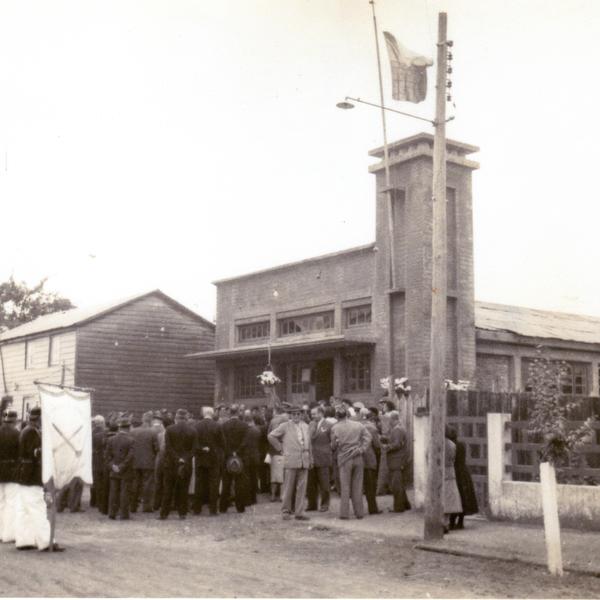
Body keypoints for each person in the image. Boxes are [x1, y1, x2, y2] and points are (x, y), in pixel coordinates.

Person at [15, 407, 62, 551]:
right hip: (31, 475)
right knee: (38, 508)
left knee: (25, 510)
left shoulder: (26, 430)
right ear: (39, 418)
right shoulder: (31, 432)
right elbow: (34, 453)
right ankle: (46, 542)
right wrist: (49, 449)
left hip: (24, 474)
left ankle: (24, 540)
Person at [268, 405, 312, 521]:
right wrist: (280, 448)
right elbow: (271, 436)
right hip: (291, 459)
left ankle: (299, 512)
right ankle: (285, 511)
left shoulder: (306, 426)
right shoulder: (285, 426)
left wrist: (310, 459)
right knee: (288, 487)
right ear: (290, 415)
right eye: (294, 414)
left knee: (302, 488)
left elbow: (309, 444)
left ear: (302, 415)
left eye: (298, 414)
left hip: (304, 460)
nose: (296, 416)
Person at [330, 405, 371, 520]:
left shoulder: (335, 428)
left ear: (337, 415)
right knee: (358, 486)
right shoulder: (358, 425)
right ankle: (359, 513)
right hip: (358, 457)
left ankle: (344, 513)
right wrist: (362, 448)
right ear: (348, 414)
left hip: (344, 458)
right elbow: (368, 437)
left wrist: (336, 445)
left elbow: (333, 445)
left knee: (345, 486)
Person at [159, 409, 195, 520]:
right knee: (183, 489)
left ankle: (164, 514)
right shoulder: (192, 431)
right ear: (186, 418)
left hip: (171, 464)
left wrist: (177, 458)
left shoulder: (169, 429)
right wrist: (184, 459)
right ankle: (182, 513)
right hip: (186, 464)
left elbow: (168, 447)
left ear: (176, 418)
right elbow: (194, 449)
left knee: (168, 489)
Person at [193, 406, 224, 516]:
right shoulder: (217, 426)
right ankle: (213, 509)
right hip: (214, 459)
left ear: (204, 414)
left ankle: (197, 509)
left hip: (200, 458)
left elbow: (194, 443)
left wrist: (201, 449)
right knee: (214, 484)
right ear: (212, 414)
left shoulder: (196, 426)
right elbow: (222, 444)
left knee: (199, 483)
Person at [446, 426, 478, 529]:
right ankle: (460, 521)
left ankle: (451, 522)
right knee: (464, 497)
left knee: (455, 498)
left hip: (455, 472)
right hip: (463, 471)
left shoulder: (451, 445)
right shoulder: (461, 444)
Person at [220, 404, 250, 513]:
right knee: (240, 483)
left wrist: (229, 452)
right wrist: (237, 452)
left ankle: (223, 507)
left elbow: (222, 442)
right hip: (240, 457)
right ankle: (240, 507)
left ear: (230, 413)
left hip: (227, 457)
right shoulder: (244, 426)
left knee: (226, 482)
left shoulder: (223, 426)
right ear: (238, 412)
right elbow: (246, 442)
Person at [105, 415, 135, 520]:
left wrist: (113, 466)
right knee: (124, 492)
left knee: (113, 492)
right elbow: (130, 456)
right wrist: (121, 466)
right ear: (128, 427)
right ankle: (124, 514)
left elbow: (107, 456)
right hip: (126, 471)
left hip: (114, 469)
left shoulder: (111, 439)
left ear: (119, 427)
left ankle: (112, 513)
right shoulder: (131, 440)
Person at [130, 411, 159, 513]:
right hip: (148, 462)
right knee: (148, 485)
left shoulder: (133, 431)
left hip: (135, 462)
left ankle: (133, 506)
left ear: (142, 419)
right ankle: (146, 507)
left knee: (135, 483)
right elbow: (157, 448)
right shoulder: (153, 432)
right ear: (151, 420)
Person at [384, 410, 411, 513]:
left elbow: (397, 444)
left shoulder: (397, 430)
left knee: (396, 485)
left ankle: (398, 507)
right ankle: (405, 504)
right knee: (399, 484)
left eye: (389, 420)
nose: (388, 422)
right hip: (399, 460)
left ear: (393, 419)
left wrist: (386, 447)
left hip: (396, 460)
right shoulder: (399, 428)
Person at [306, 406, 332, 512]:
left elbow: (333, 441)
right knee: (310, 483)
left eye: (314, 414)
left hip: (323, 458)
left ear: (321, 413)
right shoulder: (311, 424)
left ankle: (325, 504)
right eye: (311, 414)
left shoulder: (329, 425)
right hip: (311, 457)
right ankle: (312, 504)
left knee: (324, 483)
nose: (312, 416)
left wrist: (328, 451)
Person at [0, 409, 20, 543]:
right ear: (15, 420)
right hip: (12, 471)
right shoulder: (17, 434)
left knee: (0, 503)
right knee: (11, 504)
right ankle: (8, 534)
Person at [359, 408, 381, 515]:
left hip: (358, 458)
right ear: (370, 416)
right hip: (369, 458)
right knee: (370, 485)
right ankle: (373, 509)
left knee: (358, 485)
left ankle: (358, 509)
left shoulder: (357, 426)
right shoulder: (372, 427)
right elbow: (377, 445)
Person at [267, 404, 289, 502]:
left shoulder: (273, 421)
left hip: (274, 451)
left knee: (274, 474)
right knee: (283, 474)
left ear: (275, 411)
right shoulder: (287, 420)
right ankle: (282, 495)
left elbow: (269, 435)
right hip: (284, 449)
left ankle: (272, 495)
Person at [443, 430, 463, 533]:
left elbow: (428, 456)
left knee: (440, 498)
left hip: (440, 473)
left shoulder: (436, 443)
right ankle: (446, 523)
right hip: (450, 473)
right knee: (449, 499)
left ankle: (441, 523)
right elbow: (453, 459)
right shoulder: (452, 445)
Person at [243, 411, 262, 505]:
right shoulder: (257, 430)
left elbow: (243, 444)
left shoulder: (245, 431)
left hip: (246, 456)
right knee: (254, 477)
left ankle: (247, 499)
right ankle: (254, 498)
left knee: (247, 478)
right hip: (255, 456)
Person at [376, 399, 395, 495]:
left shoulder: (388, 416)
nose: (383, 407)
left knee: (385, 466)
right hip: (389, 439)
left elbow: (383, 421)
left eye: (385, 406)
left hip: (387, 440)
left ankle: (383, 488)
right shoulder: (390, 415)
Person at [90, 415, 106, 511]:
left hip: (93, 459)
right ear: (101, 423)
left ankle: (93, 500)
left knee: (95, 481)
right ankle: (99, 502)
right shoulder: (103, 433)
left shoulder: (91, 432)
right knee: (101, 482)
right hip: (101, 460)